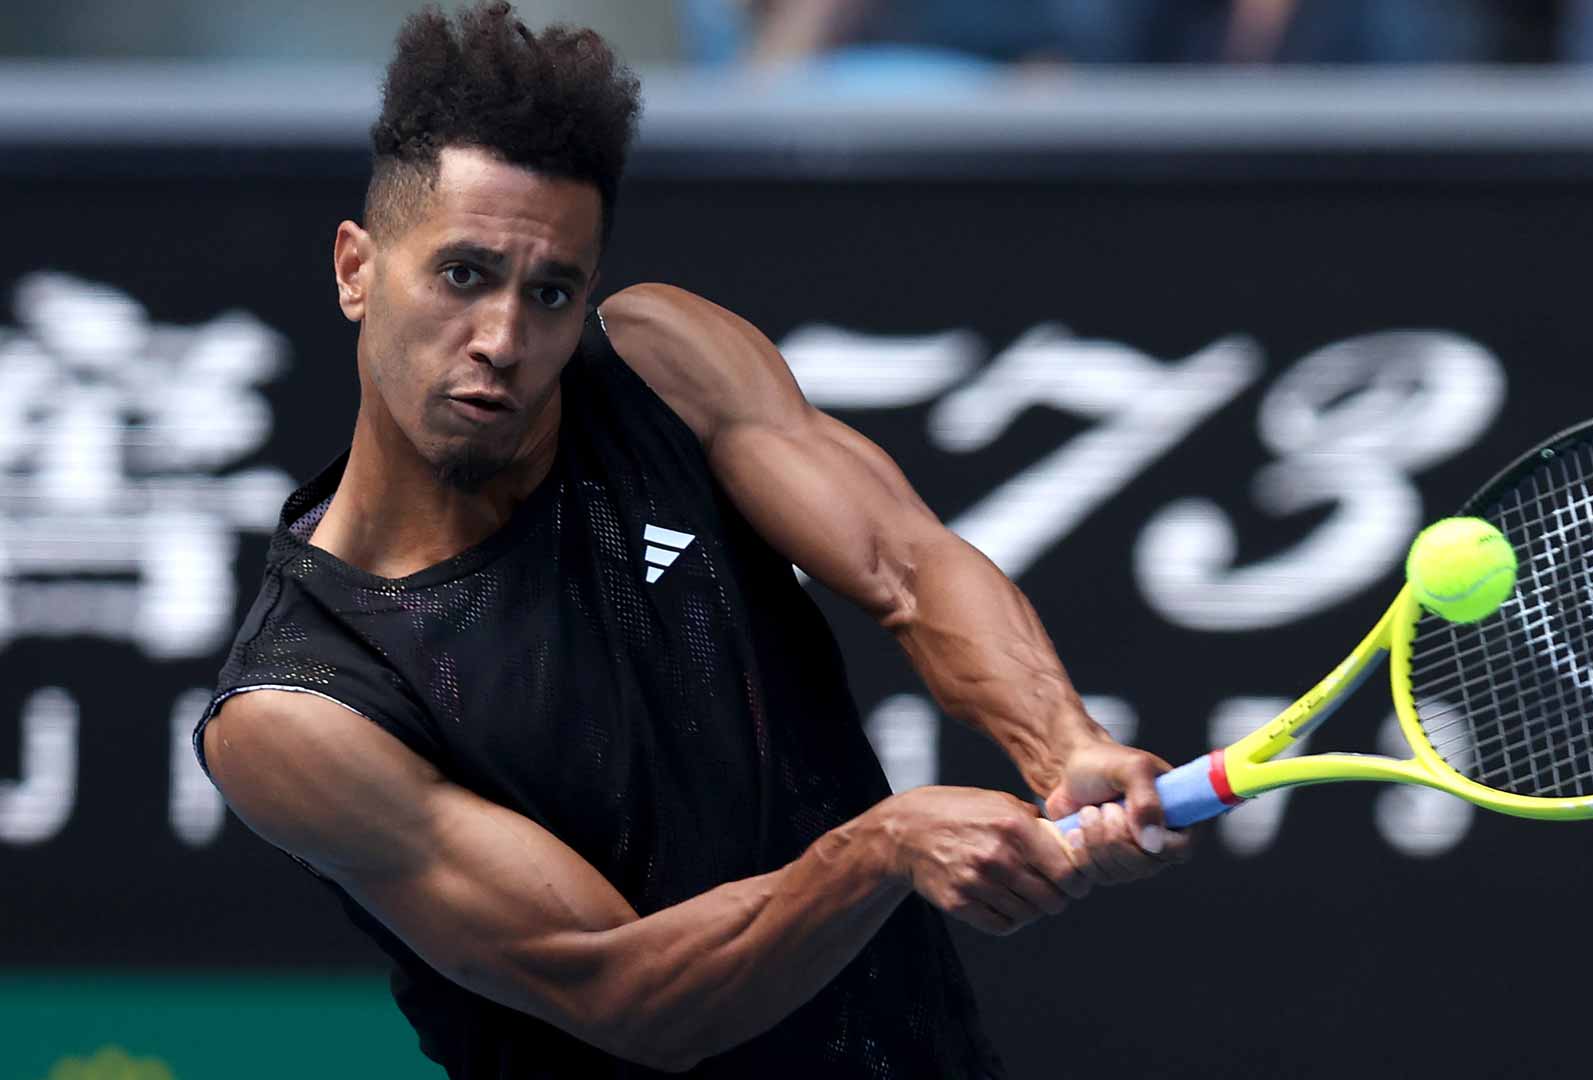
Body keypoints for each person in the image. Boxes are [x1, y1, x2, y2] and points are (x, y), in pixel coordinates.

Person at [192, 3, 1190, 1077]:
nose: (503, 341)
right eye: (463, 274)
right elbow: (621, 989)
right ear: (356, 268)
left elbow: (907, 563)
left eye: (552, 292)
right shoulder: (297, 709)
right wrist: (881, 848)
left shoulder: (662, 364)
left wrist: (1064, 745)